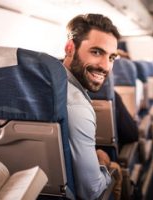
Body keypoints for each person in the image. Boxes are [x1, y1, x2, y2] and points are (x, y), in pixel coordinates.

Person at [62, 14, 122, 200]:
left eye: (111, 57)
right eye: (96, 52)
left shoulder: (45, 80)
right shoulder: (77, 105)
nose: (105, 66)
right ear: (70, 48)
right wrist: (105, 165)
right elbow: (91, 191)